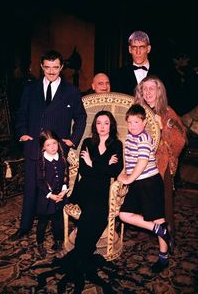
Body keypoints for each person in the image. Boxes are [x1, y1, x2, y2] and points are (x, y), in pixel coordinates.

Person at [10, 50, 87, 240]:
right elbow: (21, 115)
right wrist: (22, 134)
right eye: (47, 67)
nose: (51, 71)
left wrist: (73, 140)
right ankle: (25, 227)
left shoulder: (71, 91)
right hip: (33, 147)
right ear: (42, 67)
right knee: (31, 188)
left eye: (55, 67)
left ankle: (59, 231)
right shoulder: (30, 89)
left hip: (58, 150)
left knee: (58, 187)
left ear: (61, 67)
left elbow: (81, 117)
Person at [63, 110, 123, 276]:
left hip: (104, 189)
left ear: (111, 126)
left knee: (98, 212)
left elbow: (115, 170)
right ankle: (85, 254)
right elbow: (84, 170)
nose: (102, 126)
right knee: (91, 209)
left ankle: (81, 253)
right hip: (85, 188)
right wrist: (104, 164)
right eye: (99, 123)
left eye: (106, 123)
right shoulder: (88, 142)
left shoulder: (117, 145)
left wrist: (92, 162)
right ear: (95, 125)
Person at [118, 104, 173, 274]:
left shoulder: (144, 138)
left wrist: (128, 178)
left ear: (144, 123)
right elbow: (129, 161)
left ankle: (164, 257)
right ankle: (158, 230)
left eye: (136, 122)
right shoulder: (129, 137)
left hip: (150, 183)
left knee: (158, 217)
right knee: (123, 214)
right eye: (130, 122)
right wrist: (123, 173)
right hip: (137, 183)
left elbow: (141, 163)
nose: (133, 125)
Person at [134, 75, 187, 235]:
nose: (148, 92)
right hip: (137, 163)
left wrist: (163, 128)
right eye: (145, 89)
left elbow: (180, 142)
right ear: (140, 92)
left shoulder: (167, 112)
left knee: (162, 204)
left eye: (152, 88)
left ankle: (166, 235)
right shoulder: (136, 111)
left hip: (160, 165)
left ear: (159, 92)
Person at [36, 129, 69, 258]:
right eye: (48, 145)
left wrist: (64, 190)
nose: (52, 147)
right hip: (46, 198)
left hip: (59, 196)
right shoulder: (40, 162)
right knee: (43, 222)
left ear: (58, 143)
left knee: (57, 221)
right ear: (43, 147)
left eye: (54, 143)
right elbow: (39, 181)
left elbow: (65, 176)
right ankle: (40, 243)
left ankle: (58, 242)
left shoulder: (62, 159)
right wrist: (50, 195)